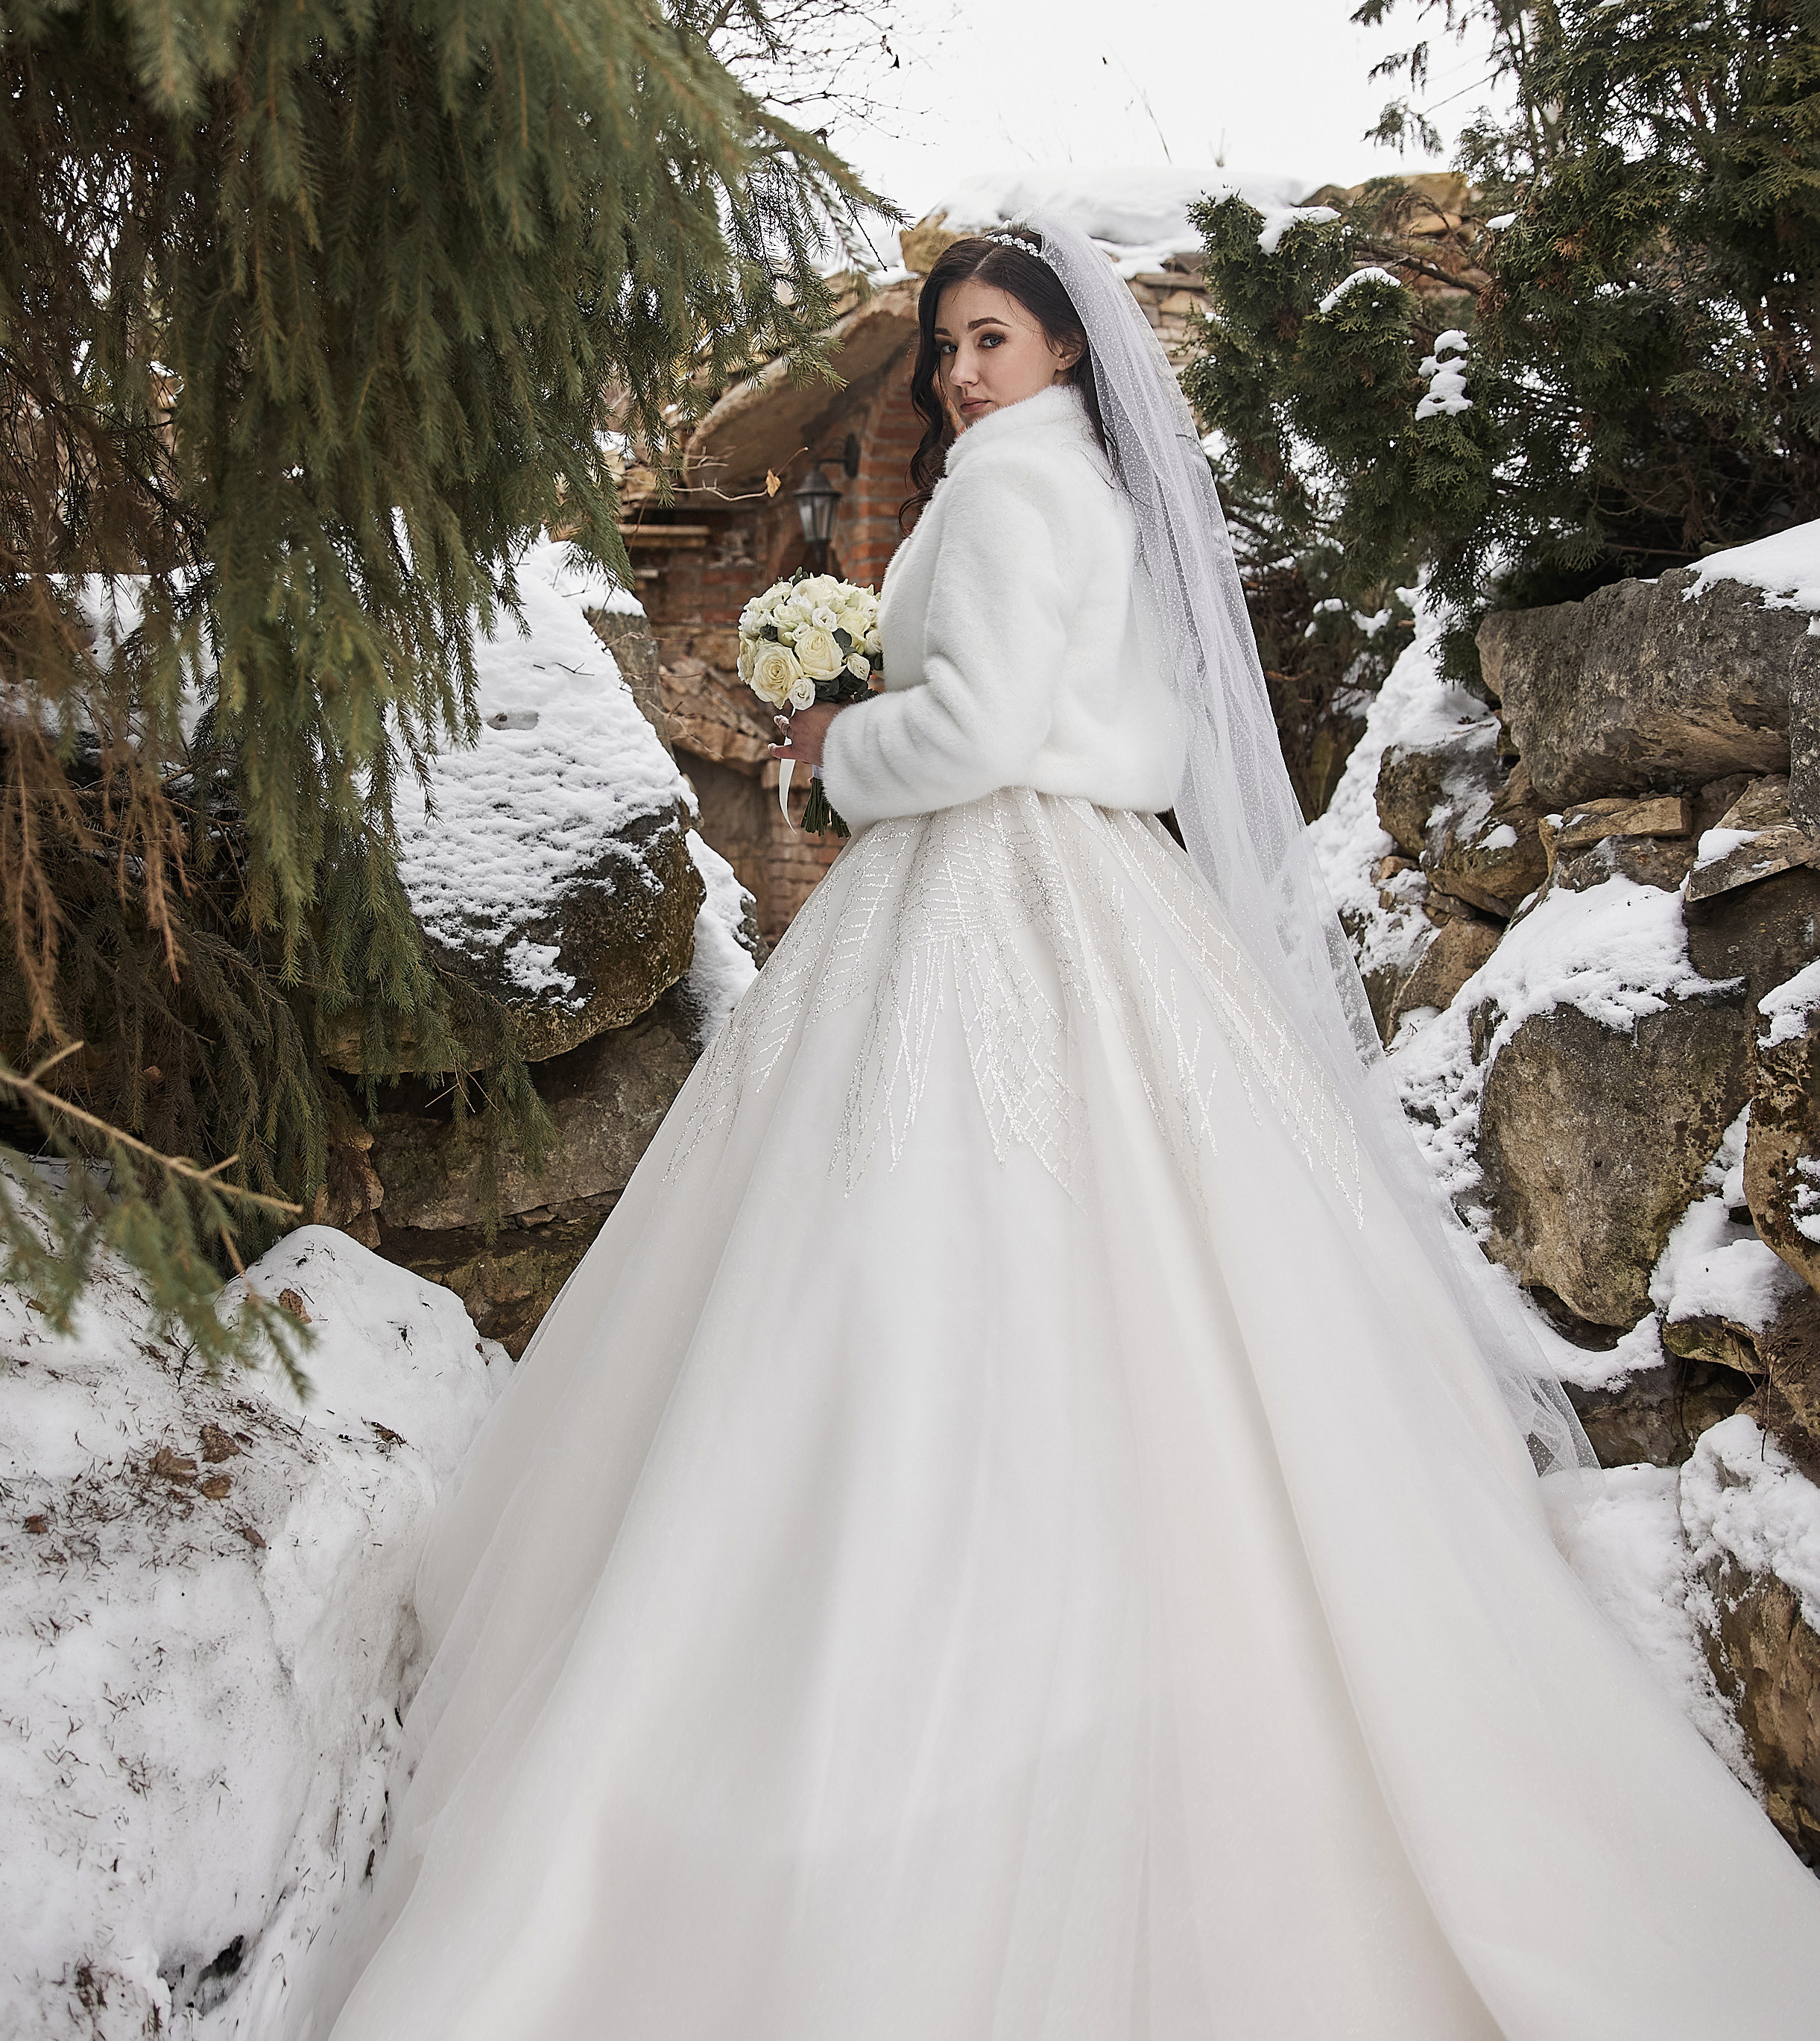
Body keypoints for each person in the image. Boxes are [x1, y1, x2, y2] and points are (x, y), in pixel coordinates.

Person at [316, 222, 1820, 2041]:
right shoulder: (1063, 488)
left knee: (915, 1256)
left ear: (1068, 356)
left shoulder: (1025, 496)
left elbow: (993, 727)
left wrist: (839, 752)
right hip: (1078, 883)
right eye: (949, 344)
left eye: (995, 339)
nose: (962, 372)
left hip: (996, 876)